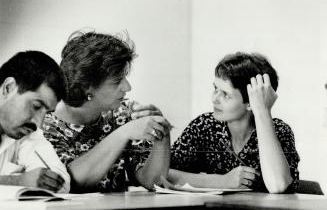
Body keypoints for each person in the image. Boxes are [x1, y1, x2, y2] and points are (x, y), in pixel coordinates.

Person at [42, 31, 171, 193]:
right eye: (118, 81)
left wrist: (161, 133)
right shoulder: (46, 124)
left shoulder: (123, 113)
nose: (128, 87)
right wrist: (124, 133)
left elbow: (153, 181)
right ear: (87, 87)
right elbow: (72, 182)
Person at [169, 52, 300, 193]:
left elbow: (278, 185)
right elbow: (162, 173)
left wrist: (262, 110)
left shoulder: (280, 130)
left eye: (225, 94)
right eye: (215, 89)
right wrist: (221, 181)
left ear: (251, 102)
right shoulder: (204, 126)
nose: (215, 99)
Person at [0, 51, 70, 192]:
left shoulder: (25, 132)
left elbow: (60, 181)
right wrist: (18, 181)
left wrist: (43, 180)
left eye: (47, 112)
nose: (39, 123)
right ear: (8, 88)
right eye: (36, 106)